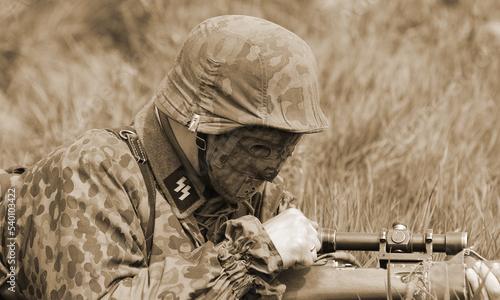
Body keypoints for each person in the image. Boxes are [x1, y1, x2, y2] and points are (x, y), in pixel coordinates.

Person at [0, 15, 498, 300]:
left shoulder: (246, 190)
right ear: (196, 124)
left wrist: (419, 283)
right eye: (260, 146)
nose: (273, 168)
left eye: (288, 147)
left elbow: (300, 281)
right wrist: (254, 254)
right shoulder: (92, 173)